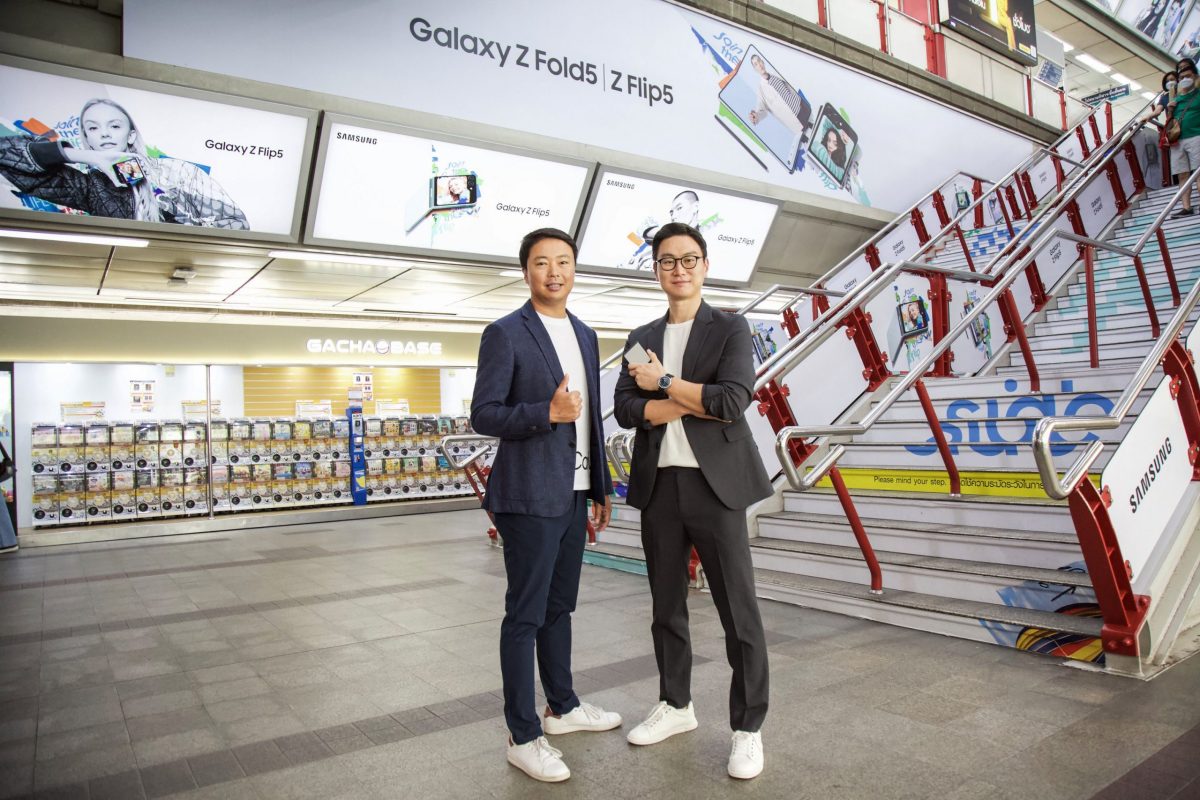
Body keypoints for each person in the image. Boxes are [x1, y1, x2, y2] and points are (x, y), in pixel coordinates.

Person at [613, 222, 773, 780]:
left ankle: (748, 728)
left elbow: (733, 401)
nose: (678, 269)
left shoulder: (729, 328)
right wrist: (689, 398)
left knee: (738, 611)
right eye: (667, 261)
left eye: (688, 259)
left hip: (715, 486)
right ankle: (676, 704)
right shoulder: (640, 336)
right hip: (660, 485)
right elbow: (625, 410)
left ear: (704, 266)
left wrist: (663, 383)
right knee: (666, 607)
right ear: (655, 269)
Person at [470, 228, 620, 783]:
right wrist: (544, 413)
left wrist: (600, 486)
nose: (554, 272)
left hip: (574, 492)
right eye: (541, 263)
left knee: (560, 608)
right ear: (526, 271)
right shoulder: (505, 333)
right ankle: (522, 734)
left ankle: (563, 706)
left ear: (575, 269)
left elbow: (591, 417)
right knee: (526, 614)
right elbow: (484, 414)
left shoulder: (585, 333)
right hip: (529, 494)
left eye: (563, 262)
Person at [0, 98, 248, 229]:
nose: (104, 134)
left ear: (130, 135)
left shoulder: (178, 171)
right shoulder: (92, 188)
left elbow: (236, 224)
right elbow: (6, 155)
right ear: (87, 139)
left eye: (114, 126)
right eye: (93, 128)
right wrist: (85, 156)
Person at [746, 54, 809, 139]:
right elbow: (762, 110)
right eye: (756, 64)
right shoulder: (761, 89)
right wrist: (756, 116)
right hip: (797, 119)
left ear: (763, 62)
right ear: (755, 69)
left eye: (759, 61)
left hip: (803, 106)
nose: (759, 65)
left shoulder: (775, 73)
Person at [1168, 59, 1200, 217]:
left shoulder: (1198, 94)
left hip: (1196, 136)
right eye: (1181, 78)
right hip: (1178, 140)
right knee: (1182, 174)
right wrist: (1169, 110)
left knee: (1198, 172)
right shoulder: (1176, 99)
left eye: (1188, 76)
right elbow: (1169, 123)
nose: (1185, 80)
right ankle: (1186, 207)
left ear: (1195, 76)